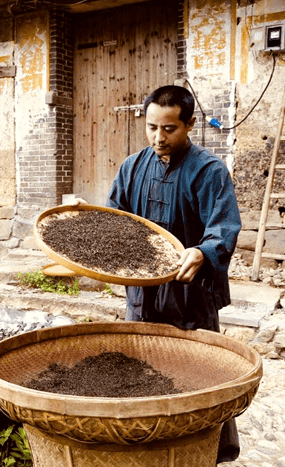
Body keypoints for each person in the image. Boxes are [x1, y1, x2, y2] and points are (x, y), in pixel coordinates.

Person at [106, 85, 242, 464]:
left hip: (191, 294)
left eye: (169, 129)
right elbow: (115, 217)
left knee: (198, 376)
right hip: (143, 293)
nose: (158, 137)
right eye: (151, 127)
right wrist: (92, 220)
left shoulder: (209, 171)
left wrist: (202, 251)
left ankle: (207, 451)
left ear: (190, 125)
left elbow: (224, 227)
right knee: (142, 366)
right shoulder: (132, 167)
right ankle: (149, 448)